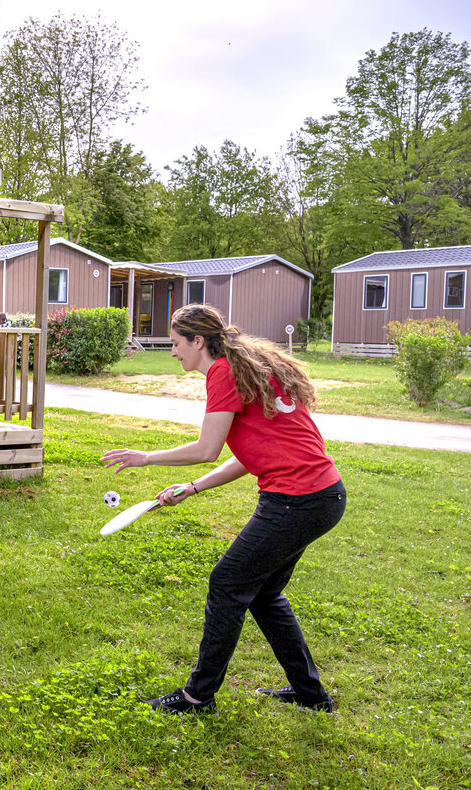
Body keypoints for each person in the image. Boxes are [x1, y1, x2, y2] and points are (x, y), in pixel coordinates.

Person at [101, 304, 344, 715]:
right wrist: (194, 488)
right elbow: (253, 454)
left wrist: (146, 456)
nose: (173, 352)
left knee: (228, 583)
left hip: (296, 500)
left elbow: (206, 450)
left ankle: (198, 696)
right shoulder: (247, 368)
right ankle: (310, 694)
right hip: (321, 496)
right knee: (264, 594)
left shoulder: (223, 372)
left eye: (177, 344)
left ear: (198, 341)